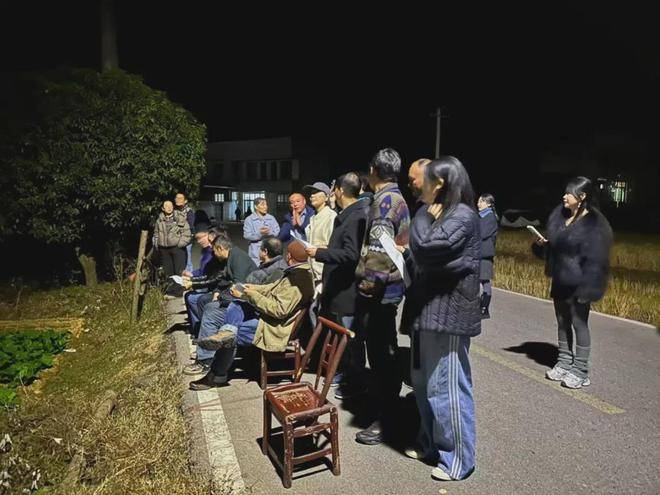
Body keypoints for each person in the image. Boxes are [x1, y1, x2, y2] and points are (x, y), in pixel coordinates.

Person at [401, 156, 481, 482]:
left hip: (448, 314)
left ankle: (458, 459)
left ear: (441, 183)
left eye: (426, 179)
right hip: (428, 311)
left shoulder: (462, 215)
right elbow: (421, 255)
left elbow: (426, 247)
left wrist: (421, 215)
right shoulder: (442, 214)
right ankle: (431, 443)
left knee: (446, 388)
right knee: (424, 384)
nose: (419, 185)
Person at [189, 241, 315, 390]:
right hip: (269, 318)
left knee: (233, 334)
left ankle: (216, 375)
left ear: (288, 256)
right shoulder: (298, 272)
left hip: (274, 327)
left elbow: (279, 311)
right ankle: (226, 332)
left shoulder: (297, 281)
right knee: (237, 304)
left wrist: (252, 295)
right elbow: (272, 288)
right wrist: (252, 288)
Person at [532, 176, 612, 389]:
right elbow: (555, 252)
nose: (564, 196)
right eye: (565, 192)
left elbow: (598, 260)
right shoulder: (560, 217)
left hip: (581, 283)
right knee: (562, 322)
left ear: (582, 196)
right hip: (561, 280)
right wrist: (542, 246)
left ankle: (581, 371)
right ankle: (564, 362)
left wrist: (589, 288)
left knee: (579, 323)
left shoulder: (595, 224)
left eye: (569, 193)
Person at [354, 148, 411, 446]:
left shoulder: (385, 201)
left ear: (374, 170)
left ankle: (385, 418)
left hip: (380, 292)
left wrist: (367, 286)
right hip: (389, 289)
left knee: (381, 356)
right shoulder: (397, 197)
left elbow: (380, 249)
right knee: (383, 352)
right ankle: (386, 408)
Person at [305, 172, 368, 399]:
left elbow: (351, 254)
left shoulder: (356, 216)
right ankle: (346, 373)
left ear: (340, 191)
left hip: (347, 290)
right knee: (342, 337)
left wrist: (320, 253)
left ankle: (357, 382)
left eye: (333, 190)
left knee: (351, 339)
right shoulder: (347, 215)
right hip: (338, 289)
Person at [183, 235, 256, 375]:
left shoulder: (238, 258)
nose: (214, 254)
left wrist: (221, 297)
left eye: (214, 251)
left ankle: (205, 360)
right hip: (237, 300)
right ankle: (207, 351)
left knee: (211, 311)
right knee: (208, 305)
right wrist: (216, 292)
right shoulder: (230, 257)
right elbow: (222, 279)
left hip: (244, 304)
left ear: (220, 248)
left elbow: (239, 288)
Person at [182, 227, 222, 333]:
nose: (199, 241)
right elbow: (206, 273)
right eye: (197, 239)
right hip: (209, 283)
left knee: (194, 298)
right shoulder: (207, 252)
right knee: (189, 296)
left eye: (202, 238)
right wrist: (192, 277)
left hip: (214, 288)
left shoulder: (215, 254)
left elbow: (212, 277)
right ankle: (196, 327)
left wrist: (193, 281)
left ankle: (201, 327)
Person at [303, 182, 337, 295]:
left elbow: (334, 247)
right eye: (311, 193)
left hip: (324, 274)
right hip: (313, 273)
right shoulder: (313, 218)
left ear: (326, 197)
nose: (312, 195)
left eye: (316, 192)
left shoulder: (331, 217)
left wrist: (318, 249)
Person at [154, 200, 192, 297]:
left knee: (179, 271)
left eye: (170, 205)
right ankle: (171, 290)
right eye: (166, 206)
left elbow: (187, 233)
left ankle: (180, 291)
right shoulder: (159, 220)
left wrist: (180, 244)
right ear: (163, 208)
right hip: (164, 249)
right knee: (168, 272)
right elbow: (156, 234)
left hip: (177, 248)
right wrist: (157, 244)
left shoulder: (180, 217)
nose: (169, 208)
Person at [477, 193, 499, 319]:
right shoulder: (480, 216)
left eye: (482, 201)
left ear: (489, 204)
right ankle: (479, 307)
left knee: (485, 281)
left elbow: (482, 233)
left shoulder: (490, 218)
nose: (479, 203)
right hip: (478, 253)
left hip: (484, 254)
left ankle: (484, 309)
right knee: (478, 280)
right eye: (479, 201)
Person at [243, 197, 280, 266]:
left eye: (266, 205)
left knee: (270, 269)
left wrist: (269, 233)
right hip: (255, 253)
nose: (265, 207)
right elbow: (246, 235)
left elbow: (277, 231)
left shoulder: (271, 218)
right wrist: (260, 234)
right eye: (262, 204)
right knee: (256, 270)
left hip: (270, 250)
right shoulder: (249, 220)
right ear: (256, 207)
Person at [175, 192, 195, 273]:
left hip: (186, 240)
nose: (178, 200)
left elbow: (190, 226)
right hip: (175, 240)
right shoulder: (173, 211)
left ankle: (190, 277)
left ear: (185, 201)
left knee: (187, 260)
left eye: (180, 198)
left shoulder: (189, 212)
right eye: (176, 198)